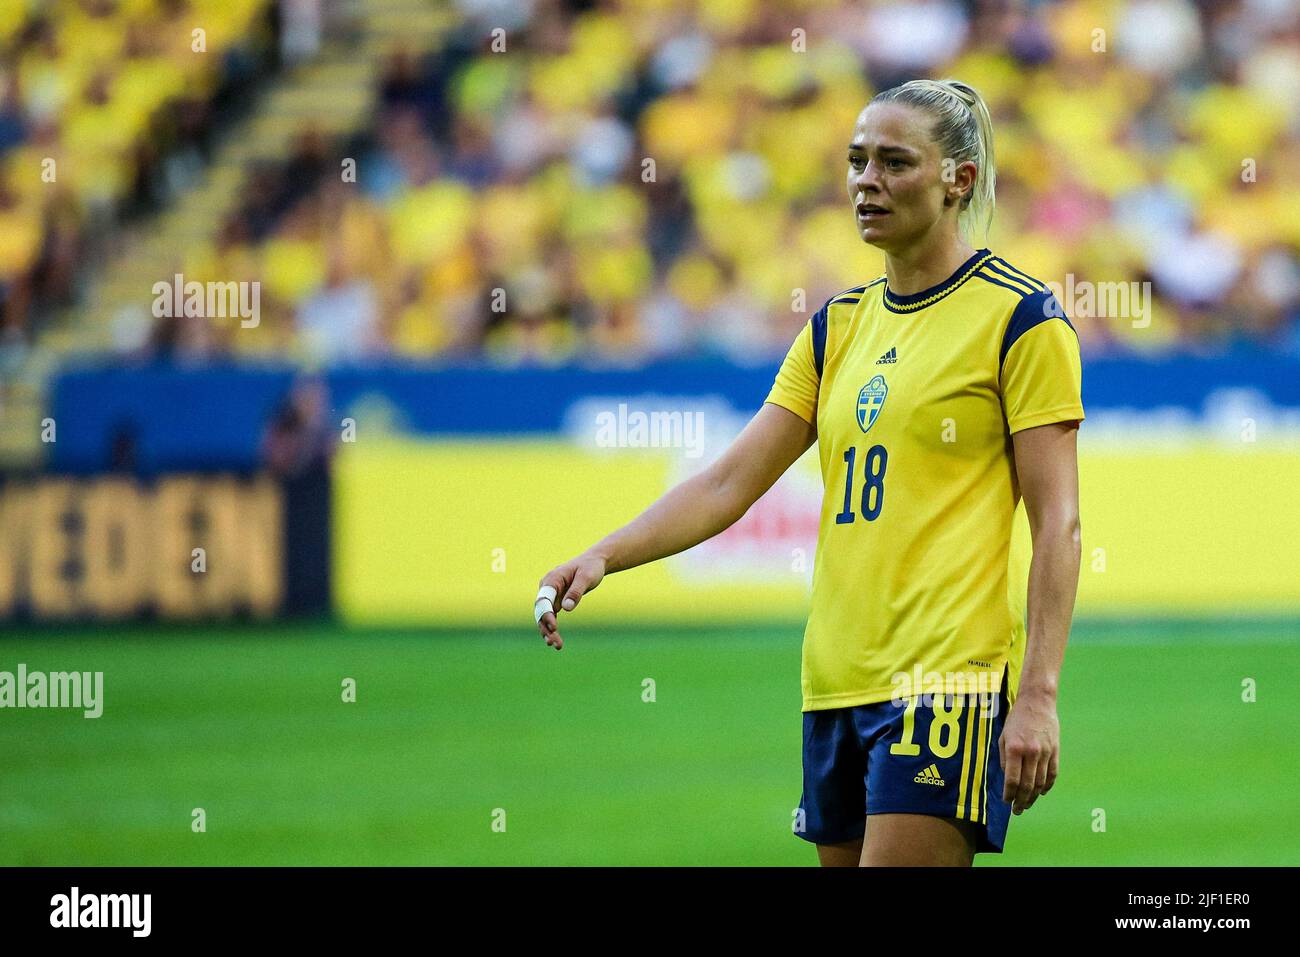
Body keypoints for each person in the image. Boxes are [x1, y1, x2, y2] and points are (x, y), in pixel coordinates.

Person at [533, 79, 1083, 866]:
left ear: (958, 179)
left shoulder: (1022, 320)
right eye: (858, 161)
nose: (868, 180)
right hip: (832, 684)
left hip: (945, 684)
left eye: (896, 162)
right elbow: (729, 482)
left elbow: (1057, 522)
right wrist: (605, 555)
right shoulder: (837, 326)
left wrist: (1037, 694)